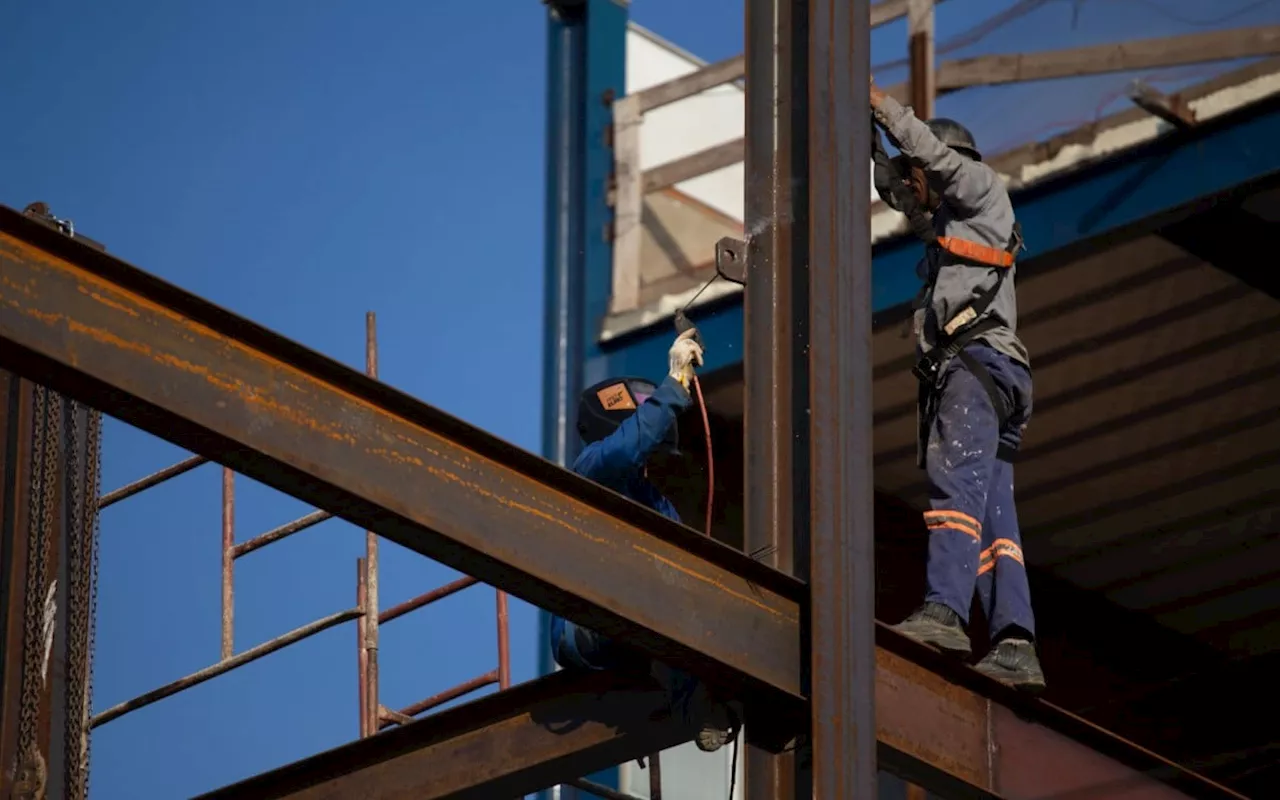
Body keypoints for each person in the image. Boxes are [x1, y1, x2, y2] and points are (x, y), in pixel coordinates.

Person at [870, 76, 1046, 693]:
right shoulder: (957, 233)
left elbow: (933, 165)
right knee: (997, 517)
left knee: (956, 486)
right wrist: (873, 146)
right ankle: (1015, 641)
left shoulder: (980, 189)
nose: (915, 188)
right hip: (996, 371)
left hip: (975, 369)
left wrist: (883, 110)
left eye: (918, 175)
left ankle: (944, 610)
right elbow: (906, 196)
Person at [548, 328, 739, 750]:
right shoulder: (592, 467)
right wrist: (673, 386)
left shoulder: (657, 505)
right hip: (589, 626)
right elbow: (623, 450)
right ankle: (693, 702)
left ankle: (709, 704)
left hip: (636, 634)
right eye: (646, 452)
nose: (648, 466)